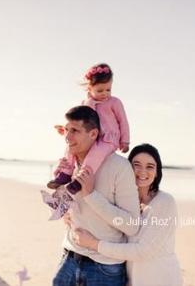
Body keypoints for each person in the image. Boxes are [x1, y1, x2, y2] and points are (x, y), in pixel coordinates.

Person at [70, 144, 183, 286]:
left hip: (160, 279)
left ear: (157, 172)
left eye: (150, 166)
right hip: (130, 279)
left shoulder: (165, 202)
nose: (142, 172)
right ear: (127, 169)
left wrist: (94, 244)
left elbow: (143, 251)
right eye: (136, 165)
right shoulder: (125, 202)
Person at [52, 105, 140, 286]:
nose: (67, 137)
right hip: (69, 257)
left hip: (104, 269)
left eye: (75, 131)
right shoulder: (68, 165)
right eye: (67, 130)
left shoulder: (119, 167)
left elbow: (131, 226)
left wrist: (91, 195)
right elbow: (64, 206)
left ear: (93, 134)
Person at [47, 63, 130, 194]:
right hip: (91, 138)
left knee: (94, 156)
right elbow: (78, 124)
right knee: (70, 148)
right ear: (89, 88)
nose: (105, 94)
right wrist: (66, 130)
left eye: (108, 89)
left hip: (108, 139)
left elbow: (123, 121)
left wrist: (125, 140)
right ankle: (65, 174)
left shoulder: (114, 102)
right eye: (100, 90)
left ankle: (80, 181)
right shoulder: (86, 103)